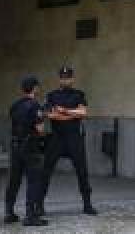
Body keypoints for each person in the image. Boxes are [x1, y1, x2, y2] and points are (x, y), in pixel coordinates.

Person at [41, 65, 97, 215]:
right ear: (59, 79)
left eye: (68, 78)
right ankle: (39, 205)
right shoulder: (51, 95)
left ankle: (87, 204)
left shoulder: (79, 94)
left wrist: (64, 111)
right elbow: (48, 114)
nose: (65, 80)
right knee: (46, 171)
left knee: (82, 171)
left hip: (74, 138)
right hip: (56, 137)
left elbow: (83, 113)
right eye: (62, 78)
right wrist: (72, 115)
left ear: (72, 79)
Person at [5, 75, 49, 226]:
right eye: (38, 87)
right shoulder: (35, 106)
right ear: (35, 88)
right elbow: (40, 129)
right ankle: (30, 216)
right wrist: (43, 118)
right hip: (30, 147)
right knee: (34, 181)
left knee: (14, 180)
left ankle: (9, 212)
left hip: (15, 145)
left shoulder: (15, 105)